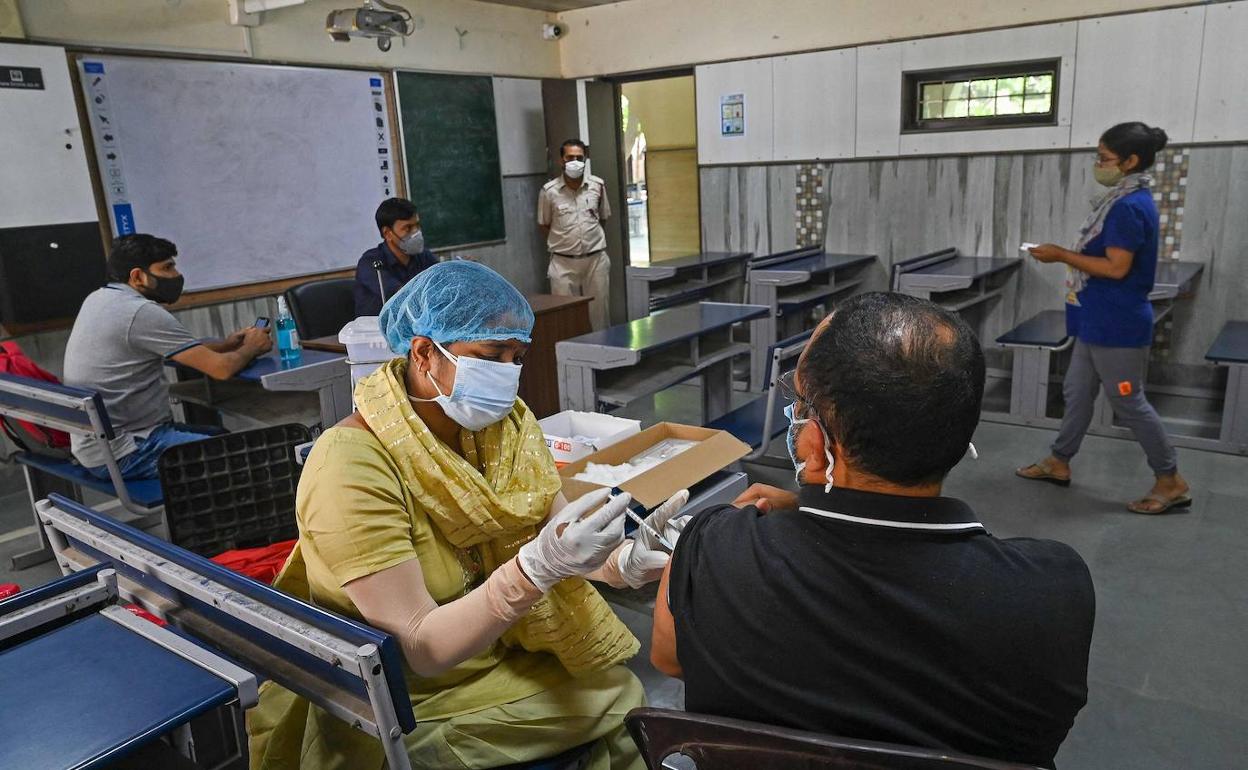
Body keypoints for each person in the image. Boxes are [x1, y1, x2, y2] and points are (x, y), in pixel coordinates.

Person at [248, 260, 684, 770]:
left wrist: (622, 561)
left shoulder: (503, 431)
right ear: (424, 353)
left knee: (618, 694)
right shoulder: (350, 465)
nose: (508, 374)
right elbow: (422, 646)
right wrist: (532, 572)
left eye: (517, 357)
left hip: (486, 653)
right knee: (619, 701)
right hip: (399, 698)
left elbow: (557, 533)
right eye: (491, 355)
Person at [651, 293, 1095, 769]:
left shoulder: (714, 549)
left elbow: (670, 659)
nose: (794, 414)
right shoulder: (1053, 591)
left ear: (817, 445)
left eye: (799, 403)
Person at [1017, 122, 1191, 514]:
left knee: (1129, 402)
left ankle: (1170, 479)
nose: (1099, 164)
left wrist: (1061, 255)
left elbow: (1116, 267)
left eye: (1105, 158)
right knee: (1078, 391)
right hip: (1096, 318)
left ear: (1131, 161)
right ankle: (1059, 460)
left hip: (1118, 325)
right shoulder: (1119, 199)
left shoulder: (1129, 206)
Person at [62, 234, 272, 480]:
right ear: (138, 276)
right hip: (127, 452)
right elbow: (221, 370)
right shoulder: (140, 312)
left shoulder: (101, 299)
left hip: (101, 446)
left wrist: (226, 345)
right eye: (167, 267)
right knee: (245, 456)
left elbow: (180, 350)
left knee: (219, 436)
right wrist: (251, 348)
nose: (176, 275)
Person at [538, 138, 612, 330]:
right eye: (570, 157)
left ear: (586, 159)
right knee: (566, 319)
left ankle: (601, 348)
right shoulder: (549, 191)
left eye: (579, 157)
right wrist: (566, 242)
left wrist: (587, 240)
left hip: (595, 261)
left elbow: (602, 218)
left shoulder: (597, 186)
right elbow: (544, 225)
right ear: (561, 160)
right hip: (563, 263)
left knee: (599, 316)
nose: (575, 162)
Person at [354, 197, 438, 317]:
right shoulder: (370, 262)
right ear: (387, 233)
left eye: (417, 225)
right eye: (408, 228)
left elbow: (442, 283)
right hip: (377, 326)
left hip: (418, 323)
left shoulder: (424, 256)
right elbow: (401, 295)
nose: (416, 232)